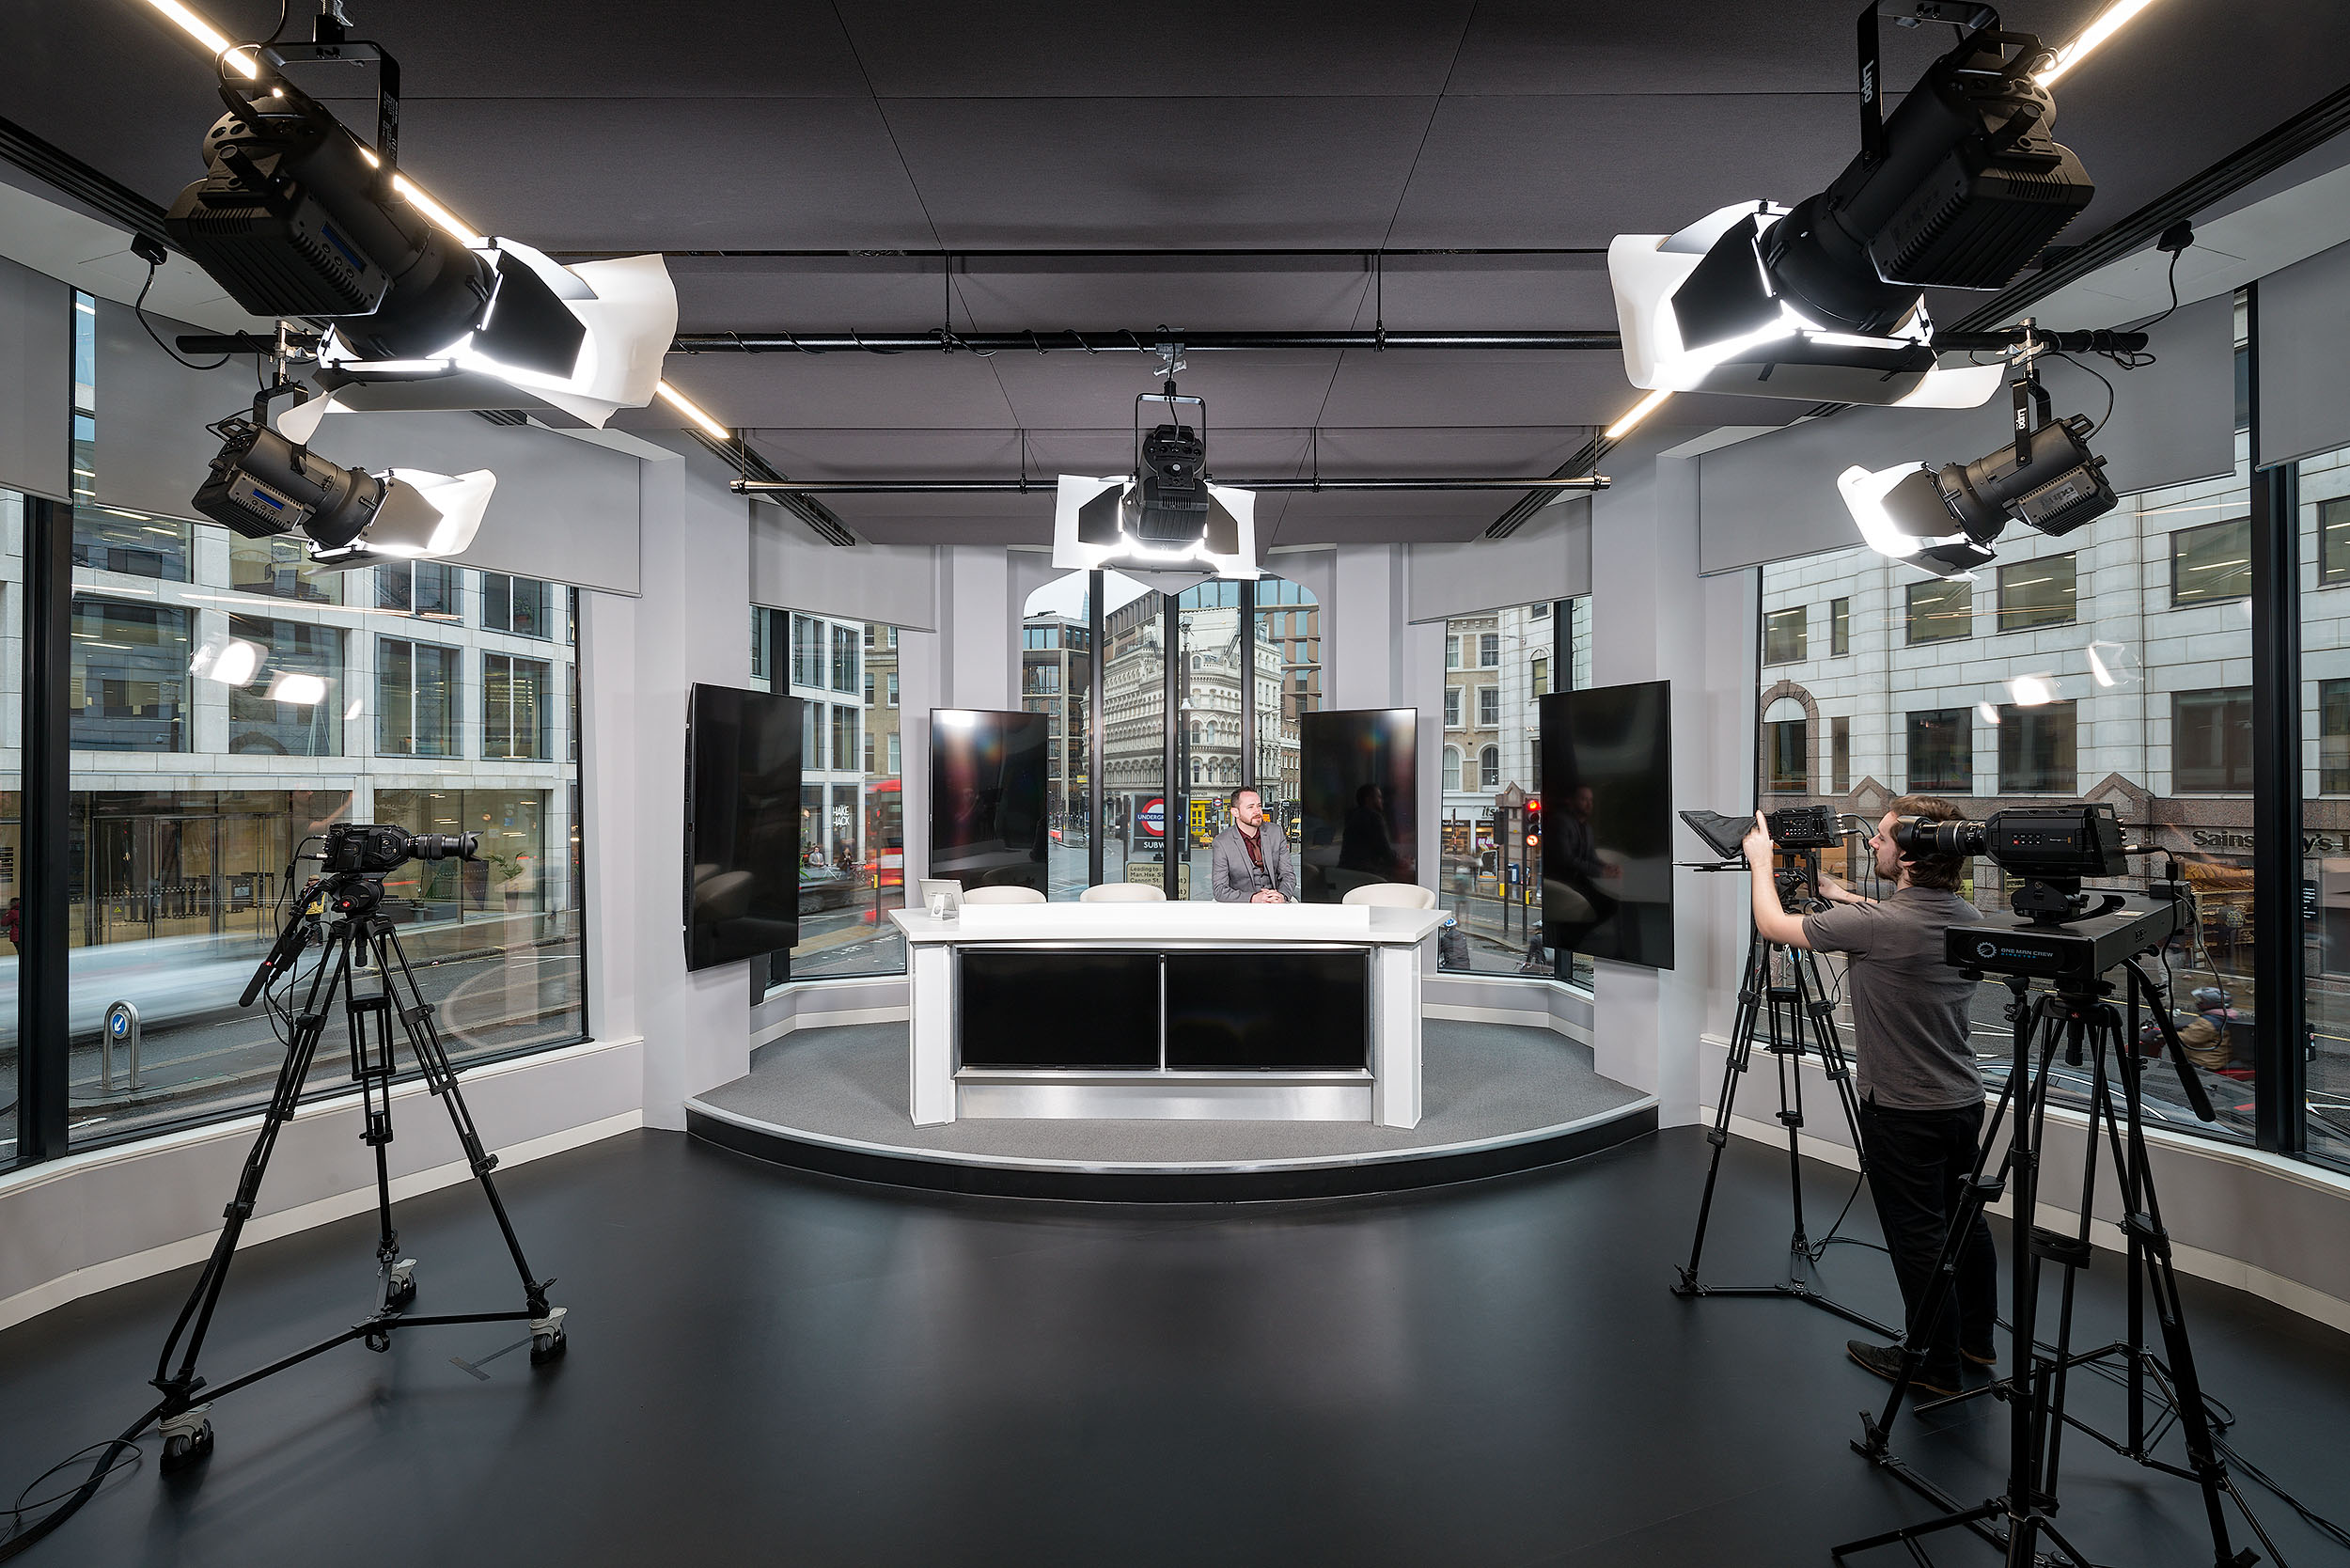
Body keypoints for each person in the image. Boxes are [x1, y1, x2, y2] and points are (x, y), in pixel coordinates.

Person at [1742, 796, 1996, 1400]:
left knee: (1918, 1237)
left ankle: (1933, 1364)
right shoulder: (1965, 914)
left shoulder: (1879, 928)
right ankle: (1975, 1341)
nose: (1873, 845)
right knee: (1965, 1219)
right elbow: (1894, 924)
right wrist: (1844, 896)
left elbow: (1774, 927)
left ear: (1907, 854)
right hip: (1961, 1102)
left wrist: (1759, 861)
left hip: (1902, 1111)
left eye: (1881, 839)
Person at [1212, 787, 1298, 904]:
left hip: (1276, 903)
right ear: (1235, 812)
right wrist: (1253, 898)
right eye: (1250, 807)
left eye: (1259, 805)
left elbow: (1288, 875)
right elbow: (1220, 890)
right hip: (1242, 906)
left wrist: (1282, 895)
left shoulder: (1276, 832)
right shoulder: (1222, 842)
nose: (1257, 811)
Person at [1338, 786, 1400, 879]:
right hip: (1364, 876)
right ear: (1369, 799)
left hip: (1344, 875)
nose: (1381, 800)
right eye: (1378, 797)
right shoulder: (1373, 817)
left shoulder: (1352, 816)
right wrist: (1399, 861)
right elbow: (1385, 851)